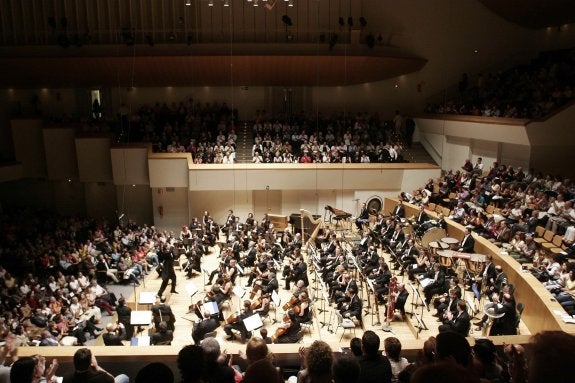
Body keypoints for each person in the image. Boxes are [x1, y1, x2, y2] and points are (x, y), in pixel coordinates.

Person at [63, 347, 129, 383]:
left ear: (74, 361)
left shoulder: (66, 378)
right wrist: (97, 366)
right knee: (124, 377)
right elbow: (113, 380)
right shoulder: (101, 376)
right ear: (90, 364)